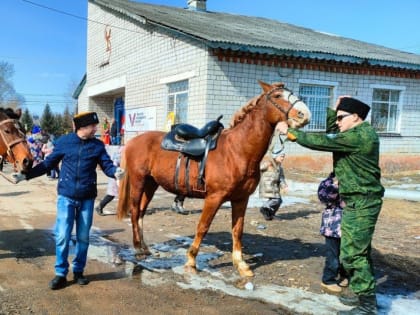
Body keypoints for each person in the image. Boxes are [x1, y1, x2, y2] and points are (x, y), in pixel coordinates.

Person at [277, 96, 384, 314]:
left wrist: (290, 132)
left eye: (341, 118)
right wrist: (334, 110)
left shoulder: (359, 136)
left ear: (356, 117)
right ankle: (360, 292)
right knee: (356, 251)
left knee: (353, 254)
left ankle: (367, 305)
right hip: (357, 201)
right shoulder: (353, 133)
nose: (338, 122)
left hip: (362, 202)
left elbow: (325, 141)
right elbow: (333, 134)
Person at [12, 112, 124, 290]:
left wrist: (115, 172)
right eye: (92, 126)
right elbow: (48, 164)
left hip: (87, 197)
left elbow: (107, 165)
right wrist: (26, 176)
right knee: (63, 236)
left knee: (83, 237)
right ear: (82, 127)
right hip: (66, 197)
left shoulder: (97, 145)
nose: (95, 129)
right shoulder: (64, 142)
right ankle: (61, 274)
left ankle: (78, 271)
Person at [318, 172, 348, 294]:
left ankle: (344, 275)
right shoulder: (327, 183)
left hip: (349, 225)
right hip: (333, 227)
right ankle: (328, 280)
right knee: (333, 256)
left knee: (347, 254)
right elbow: (324, 198)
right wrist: (335, 186)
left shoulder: (353, 180)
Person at [259, 151, 288, 220]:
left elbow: (281, 178)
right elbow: (258, 168)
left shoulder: (279, 167)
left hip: (274, 187)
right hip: (267, 186)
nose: (283, 158)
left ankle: (270, 214)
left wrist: (284, 186)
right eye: (281, 156)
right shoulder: (268, 164)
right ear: (276, 157)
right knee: (276, 200)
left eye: (283, 157)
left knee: (279, 201)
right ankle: (264, 207)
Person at [95, 146, 123, 216]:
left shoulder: (120, 153)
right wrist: (117, 176)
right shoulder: (119, 155)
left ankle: (124, 210)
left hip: (120, 176)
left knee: (120, 194)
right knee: (111, 195)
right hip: (115, 176)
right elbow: (115, 165)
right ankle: (100, 207)